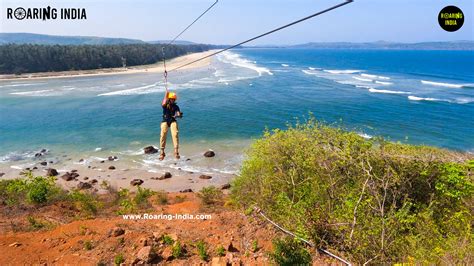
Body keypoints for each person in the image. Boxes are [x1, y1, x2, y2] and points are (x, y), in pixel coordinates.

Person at [160, 90, 182, 160]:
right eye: (172, 99)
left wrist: (179, 115)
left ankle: (176, 151)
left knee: (175, 134)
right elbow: (163, 103)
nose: (173, 100)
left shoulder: (176, 106)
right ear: (169, 99)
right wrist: (165, 95)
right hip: (165, 120)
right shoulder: (165, 105)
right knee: (163, 134)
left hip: (172, 121)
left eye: (174, 99)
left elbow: (178, 114)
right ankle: (162, 152)